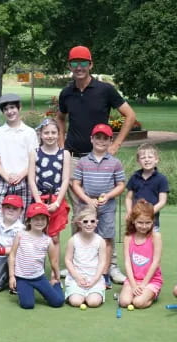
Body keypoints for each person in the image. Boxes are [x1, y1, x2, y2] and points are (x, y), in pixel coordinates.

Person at [56, 46, 134, 284]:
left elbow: (130, 116)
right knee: (81, 213)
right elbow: (60, 118)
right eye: (74, 63)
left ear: (91, 65)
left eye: (83, 63)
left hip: (102, 160)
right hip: (75, 159)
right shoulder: (66, 93)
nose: (78, 67)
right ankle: (78, 265)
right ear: (69, 67)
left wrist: (117, 144)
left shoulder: (105, 90)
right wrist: (62, 147)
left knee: (105, 212)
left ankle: (110, 267)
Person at [72, 124, 126, 289]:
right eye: (98, 137)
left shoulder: (115, 162)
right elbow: (76, 184)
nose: (101, 141)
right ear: (92, 139)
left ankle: (104, 273)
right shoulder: (83, 161)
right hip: (87, 205)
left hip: (107, 205)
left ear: (110, 141)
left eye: (105, 138)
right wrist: (87, 199)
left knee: (107, 238)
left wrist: (108, 195)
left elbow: (121, 185)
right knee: (85, 238)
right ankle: (83, 271)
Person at [28, 118, 71, 278]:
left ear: (59, 134)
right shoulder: (35, 153)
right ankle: (34, 272)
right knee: (36, 236)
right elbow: (31, 178)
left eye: (54, 132)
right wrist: (39, 202)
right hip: (39, 200)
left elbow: (65, 179)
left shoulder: (64, 154)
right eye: (46, 132)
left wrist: (58, 201)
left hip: (56, 200)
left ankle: (54, 274)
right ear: (40, 134)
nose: (50, 136)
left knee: (54, 238)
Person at [8, 203, 64, 309]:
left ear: (47, 221)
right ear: (29, 221)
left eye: (43, 219)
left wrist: (56, 277)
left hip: (39, 277)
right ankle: (26, 291)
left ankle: (55, 286)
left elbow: (54, 261)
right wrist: (12, 276)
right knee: (27, 304)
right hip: (22, 278)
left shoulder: (48, 241)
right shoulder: (20, 235)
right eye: (36, 219)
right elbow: (12, 256)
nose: (40, 222)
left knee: (58, 302)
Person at [0, 94, 39, 216]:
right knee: (0, 219)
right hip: (3, 180)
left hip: (25, 180)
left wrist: (20, 175)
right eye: (6, 109)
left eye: (12, 107)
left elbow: (33, 161)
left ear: (19, 108)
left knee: (23, 221)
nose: (10, 111)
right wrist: (7, 177)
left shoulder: (29, 132)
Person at [119, 200, 163, 309]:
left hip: (151, 280)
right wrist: (133, 285)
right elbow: (127, 262)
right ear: (133, 221)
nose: (144, 226)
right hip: (133, 279)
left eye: (148, 222)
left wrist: (143, 285)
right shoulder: (128, 237)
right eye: (140, 222)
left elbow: (155, 262)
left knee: (138, 303)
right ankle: (136, 293)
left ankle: (152, 296)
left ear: (153, 221)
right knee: (124, 302)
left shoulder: (156, 237)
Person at [64, 207, 107, 308]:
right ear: (79, 223)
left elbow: (102, 262)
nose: (89, 224)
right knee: (76, 302)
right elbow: (68, 260)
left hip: (94, 279)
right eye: (85, 221)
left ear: (96, 223)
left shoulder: (100, 241)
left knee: (93, 302)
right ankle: (78, 293)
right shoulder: (73, 240)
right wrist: (77, 277)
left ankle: (92, 294)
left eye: (92, 221)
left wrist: (94, 280)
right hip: (77, 278)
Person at [125, 143, 169, 231]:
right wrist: (129, 212)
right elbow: (128, 198)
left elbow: (162, 201)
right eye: (143, 158)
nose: (147, 160)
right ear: (138, 161)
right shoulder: (134, 177)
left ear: (156, 160)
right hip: (136, 220)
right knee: (135, 242)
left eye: (150, 157)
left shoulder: (161, 179)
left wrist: (148, 213)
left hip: (152, 221)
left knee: (152, 243)